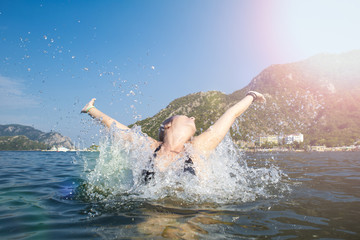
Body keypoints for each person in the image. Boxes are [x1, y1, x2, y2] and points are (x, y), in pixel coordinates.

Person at [81, 91, 266, 181]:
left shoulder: (199, 147)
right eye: (187, 116)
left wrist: (250, 96)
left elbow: (231, 114)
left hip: (191, 219)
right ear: (168, 125)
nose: (192, 117)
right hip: (152, 215)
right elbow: (115, 126)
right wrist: (91, 109)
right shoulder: (149, 146)